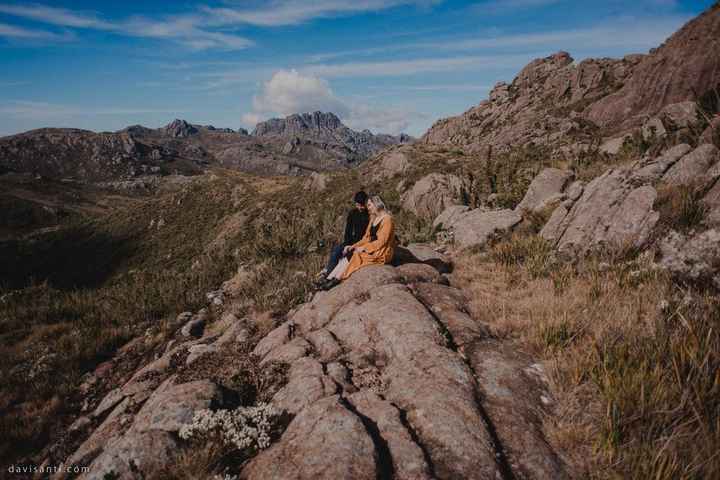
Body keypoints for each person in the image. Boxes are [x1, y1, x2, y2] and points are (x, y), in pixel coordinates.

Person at [320, 195, 397, 290]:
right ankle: (329, 279)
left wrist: (364, 248)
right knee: (350, 252)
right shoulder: (373, 218)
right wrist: (353, 246)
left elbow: (382, 242)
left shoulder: (387, 220)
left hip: (381, 252)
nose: (368, 208)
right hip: (372, 248)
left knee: (356, 255)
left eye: (369, 205)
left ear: (376, 204)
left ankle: (336, 279)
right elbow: (366, 238)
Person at [317, 191, 370, 281]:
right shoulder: (353, 213)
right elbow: (348, 231)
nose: (360, 207)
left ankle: (332, 277)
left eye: (362, 205)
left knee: (347, 256)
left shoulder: (369, 215)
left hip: (362, 243)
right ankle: (328, 273)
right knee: (336, 251)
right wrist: (347, 244)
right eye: (358, 205)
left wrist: (354, 246)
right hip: (351, 241)